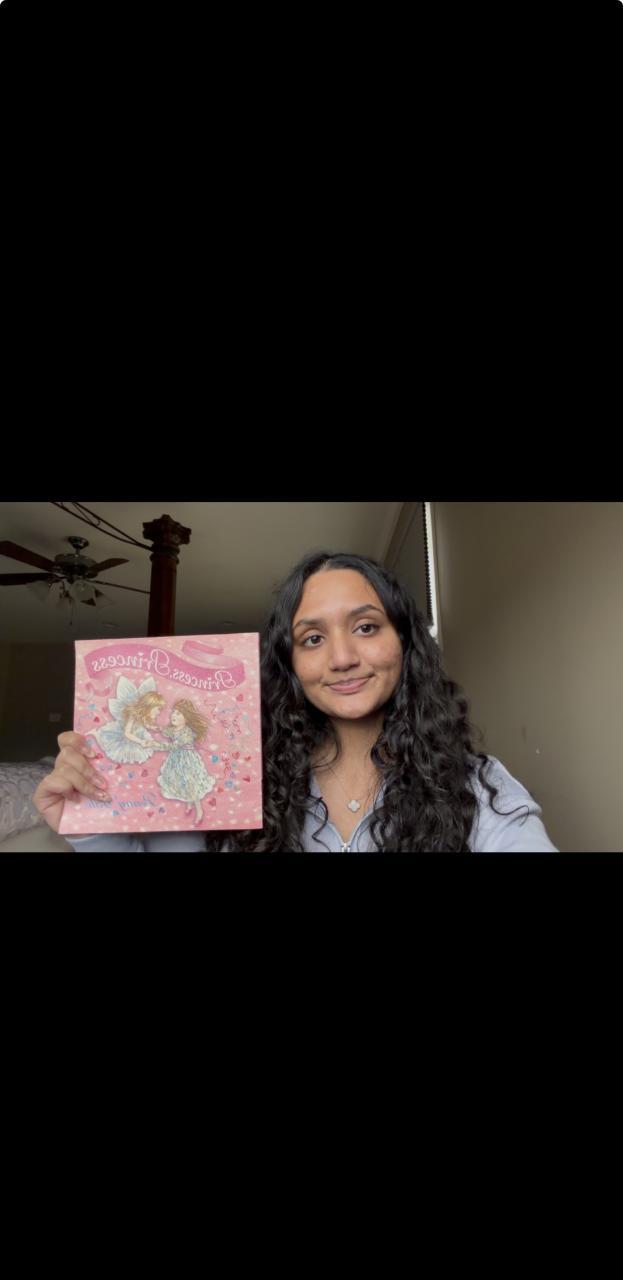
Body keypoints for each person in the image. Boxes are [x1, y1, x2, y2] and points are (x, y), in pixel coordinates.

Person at [33, 550, 559, 852]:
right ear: (290, 663)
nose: (342, 658)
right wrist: (91, 818)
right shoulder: (236, 783)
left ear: (405, 642)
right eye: (312, 638)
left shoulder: (477, 787)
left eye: (366, 627)